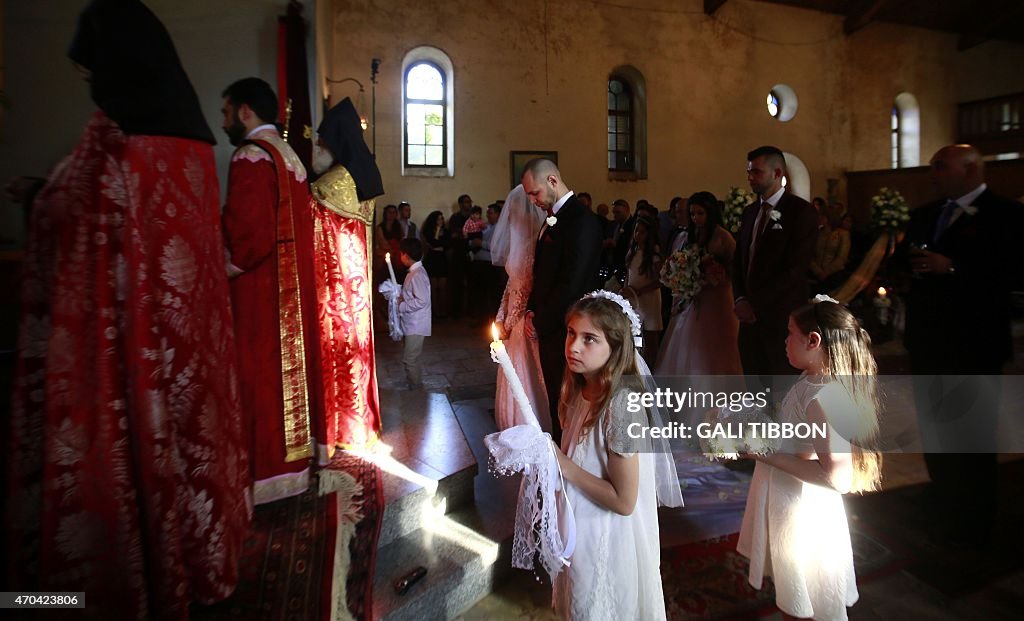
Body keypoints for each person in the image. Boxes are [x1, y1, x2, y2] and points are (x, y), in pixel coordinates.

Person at [8, 0, 249, 616]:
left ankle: (51, 600)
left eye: (92, 74)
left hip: (128, 355)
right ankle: (201, 555)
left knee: (131, 475)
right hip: (190, 352)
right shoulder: (195, 148)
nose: (92, 88)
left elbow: (72, 219)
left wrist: (38, 197)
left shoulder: (116, 148)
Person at [901, 143, 1021, 547]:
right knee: (935, 430)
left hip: (974, 343)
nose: (932, 174)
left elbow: (1010, 273)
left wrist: (950, 266)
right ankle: (942, 496)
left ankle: (974, 515)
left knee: (971, 433)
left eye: (940, 166)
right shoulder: (924, 215)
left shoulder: (1005, 215)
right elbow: (902, 265)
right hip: (928, 341)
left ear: (971, 170)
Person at [738, 298, 882, 621]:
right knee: (795, 593)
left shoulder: (824, 396)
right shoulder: (811, 380)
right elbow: (799, 432)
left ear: (814, 340)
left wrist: (768, 454)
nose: (785, 341)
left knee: (804, 597)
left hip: (804, 511)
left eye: (790, 334)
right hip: (789, 499)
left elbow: (837, 479)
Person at [550, 292, 683, 620]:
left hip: (605, 534)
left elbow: (625, 501)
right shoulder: (582, 389)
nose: (574, 346)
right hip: (580, 526)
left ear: (616, 347)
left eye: (589, 339)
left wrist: (563, 465)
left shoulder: (622, 406)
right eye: (571, 333)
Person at [221, 76, 322, 504]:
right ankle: (295, 465)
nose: (223, 120)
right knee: (289, 378)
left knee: (261, 378)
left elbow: (248, 238)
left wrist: (219, 261)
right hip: (293, 289)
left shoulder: (250, 156)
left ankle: (265, 474)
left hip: (262, 291)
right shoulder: (289, 156)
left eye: (226, 111)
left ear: (246, 111)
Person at [308, 97, 384, 453]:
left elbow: (309, 220)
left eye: (321, 143)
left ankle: (345, 427)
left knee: (339, 350)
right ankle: (360, 423)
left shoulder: (335, 181)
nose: (317, 150)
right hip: (356, 284)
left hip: (337, 286)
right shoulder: (363, 170)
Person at [522, 158, 604, 442]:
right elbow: (542, 272)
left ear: (552, 181)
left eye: (535, 193)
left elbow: (573, 281)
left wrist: (542, 320)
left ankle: (571, 458)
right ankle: (560, 452)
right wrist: (531, 308)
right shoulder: (552, 218)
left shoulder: (581, 220)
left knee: (570, 399)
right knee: (557, 397)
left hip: (569, 328)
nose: (533, 201)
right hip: (551, 324)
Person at [733, 146, 817, 376]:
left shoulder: (800, 212)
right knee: (755, 390)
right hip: (749, 321)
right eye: (749, 172)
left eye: (756, 172)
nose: (750, 177)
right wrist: (740, 297)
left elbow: (796, 269)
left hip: (781, 317)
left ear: (777, 173)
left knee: (782, 391)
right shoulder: (750, 212)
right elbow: (740, 260)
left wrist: (755, 305)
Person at [657, 192, 742, 376]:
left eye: (700, 213)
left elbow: (734, 268)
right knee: (687, 341)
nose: (696, 218)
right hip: (694, 297)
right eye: (693, 214)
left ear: (710, 213)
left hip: (718, 299)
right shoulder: (690, 235)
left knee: (716, 345)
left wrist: (714, 271)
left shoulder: (723, 237)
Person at [491, 185, 551, 431]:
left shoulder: (538, 245)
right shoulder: (518, 245)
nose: (510, 217)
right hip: (512, 319)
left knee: (527, 376)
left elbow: (530, 289)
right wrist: (501, 317)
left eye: (514, 211)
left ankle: (532, 428)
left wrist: (513, 320)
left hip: (526, 321)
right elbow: (511, 285)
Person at [622, 215, 662, 366]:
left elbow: (660, 280)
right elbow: (630, 273)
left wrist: (640, 291)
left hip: (648, 297)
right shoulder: (634, 250)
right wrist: (626, 288)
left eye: (642, 232)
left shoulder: (654, 253)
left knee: (650, 332)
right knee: (634, 331)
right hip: (633, 297)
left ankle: (652, 365)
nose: (638, 234)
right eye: (636, 230)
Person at [398, 238, 431, 390]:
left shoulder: (417, 274)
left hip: (416, 325)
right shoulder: (415, 272)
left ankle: (416, 387)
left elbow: (422, 300)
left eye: (401, 254)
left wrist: (402, 305)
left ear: (406, 255)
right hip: (412, 322)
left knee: (410, 358)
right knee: (413, 357)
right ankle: (414, 382)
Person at [420, 210, 450, 318]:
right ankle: (435, 312)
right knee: (432, 287)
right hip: (432, 259)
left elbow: (446, 245)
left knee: (442, 287)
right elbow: (433, 243)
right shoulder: (428, 231)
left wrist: (437, 244)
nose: (440, 221)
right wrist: (437, 231)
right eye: (438, 219)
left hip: (442, 259)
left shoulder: (446, 232)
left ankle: (443, 311)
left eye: (442, 218)